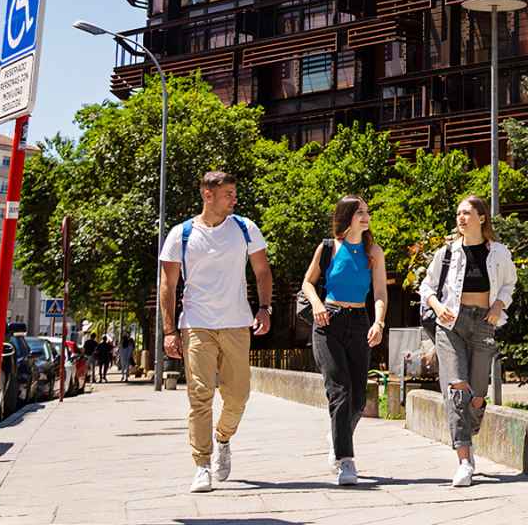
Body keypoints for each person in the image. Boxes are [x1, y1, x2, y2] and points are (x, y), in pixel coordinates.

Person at [158, 170, 273, 494]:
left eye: (234, 193)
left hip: (237, 322)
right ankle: (202, 465)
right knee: (199, 395)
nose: (234, 199)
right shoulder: (181, 234)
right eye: (228, 194)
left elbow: (262, 271)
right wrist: (169, 331)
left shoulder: (244, 228)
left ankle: (223, 437)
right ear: (208, 195)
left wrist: (264, 308)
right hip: (196, 323)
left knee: (238, 395)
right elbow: (167, 285)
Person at [421, 195, 516, 488]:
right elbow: (426, 285)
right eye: (458, 213)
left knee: (476, 394)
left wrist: (499, 305)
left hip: (484, 324)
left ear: (482, 217)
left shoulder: (499, 252)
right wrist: (437, 307)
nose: (461, 218)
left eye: (467, 213)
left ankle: (472, 418)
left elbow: (510, 283)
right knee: (456, 388)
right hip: (450, 324)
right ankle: (464, 459)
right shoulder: (447, 253)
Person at [300, 196, 388, 486]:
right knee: (340, 391)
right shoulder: (327, 248)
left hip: (360, 321)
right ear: (346, 216)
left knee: (359, 398)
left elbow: (379, 293)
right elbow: (308, 283)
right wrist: (316, 304)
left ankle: (338, 435)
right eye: (359, 212)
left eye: (367, 212)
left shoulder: (373, 251)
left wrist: (378, 322)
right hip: (329, 322)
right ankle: (344, 461)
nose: (366, 217)